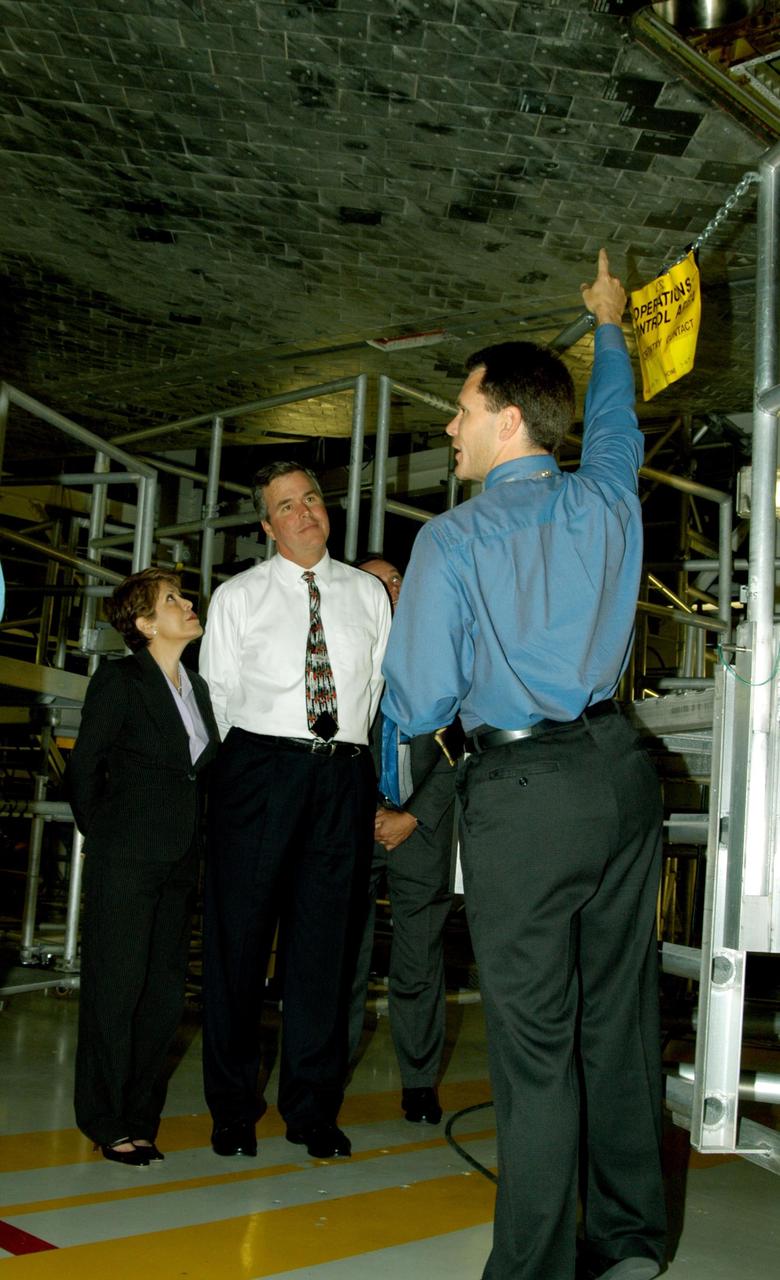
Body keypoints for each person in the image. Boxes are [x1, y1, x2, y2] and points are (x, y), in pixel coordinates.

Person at [382, 251, 667, 1280]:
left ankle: (535, 1267)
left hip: (525, 795)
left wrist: (391, 771)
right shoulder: (609, 497)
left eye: (461, 407)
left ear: (507, 418)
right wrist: (608, 325)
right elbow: (618, 420)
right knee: (620, 1016)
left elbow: (414, 700)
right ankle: (631, 1241)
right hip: (622, 778)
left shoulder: (452, 542)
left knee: (536, 1043)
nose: (450, 425)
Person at [199, 461, 391, 1161]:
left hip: (340, 774)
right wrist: (245, 782)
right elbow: (216, 699)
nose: (303, 511)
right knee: (238, 947)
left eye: (311, 497)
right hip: (257, 773)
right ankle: (232, 1110)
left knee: (324, 951)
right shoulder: (238, 597)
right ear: (267, 525)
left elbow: (377, 689)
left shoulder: (370, 593)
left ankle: (312, 1110)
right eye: (286, 505)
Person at [68, 567, 220, 1166]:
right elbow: (85, 769)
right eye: (172, 600)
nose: (187, 604)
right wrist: (107, 836)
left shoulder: (197, 689)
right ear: (144, 624)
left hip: (180, 861)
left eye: (183, 596)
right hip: (127, 859)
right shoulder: (121, 680)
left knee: (160, 996)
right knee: (115, 990)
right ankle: (105, 1120)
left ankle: (138, 1116)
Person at [348, 556, 456, 1125]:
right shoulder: (339, 657)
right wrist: (367, 809)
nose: (390, 588)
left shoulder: (443, 651)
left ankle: (418, 1083)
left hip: (421, 828)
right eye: (376, 581)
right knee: (342, 958)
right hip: (353, 828)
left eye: (396, 580)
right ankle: (325, 1076)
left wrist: (413, 815)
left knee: (419, 962)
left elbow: (461, 742)